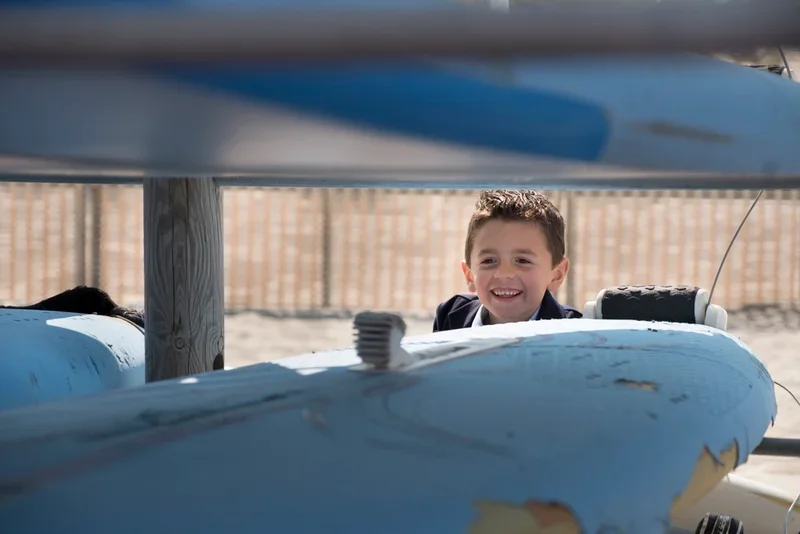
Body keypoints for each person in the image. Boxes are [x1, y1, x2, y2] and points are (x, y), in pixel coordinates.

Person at [433, 189, 581, 332]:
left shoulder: (576, 333)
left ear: (557, 274)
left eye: (523, 260)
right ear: (469, 274)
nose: (504, 273)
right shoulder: (450, 316)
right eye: (489, 261)